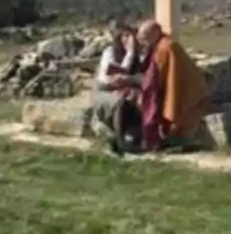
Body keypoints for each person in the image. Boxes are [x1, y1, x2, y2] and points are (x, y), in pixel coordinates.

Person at [135, 19, 210, 151]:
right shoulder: (160, 45)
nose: (144, 42)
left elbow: (162, 78)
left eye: (145, 38)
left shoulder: (166, 47)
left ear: (155, 33)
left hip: (187, 90)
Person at [90, 21, 144, 152]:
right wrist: (130, 53)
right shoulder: (110, 53)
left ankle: (139, 136)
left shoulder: (138, 55)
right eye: (124, 36)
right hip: (103, 91)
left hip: (121, 89)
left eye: (130, 36)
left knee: (141, 99)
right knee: (119, 103)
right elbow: (116, 74)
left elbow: (139, 76)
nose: (127, 40)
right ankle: (120, 143)